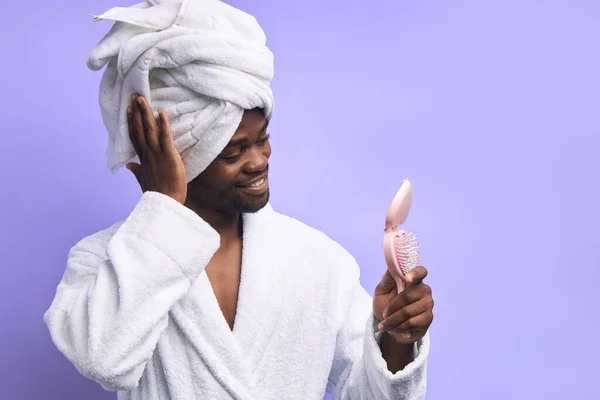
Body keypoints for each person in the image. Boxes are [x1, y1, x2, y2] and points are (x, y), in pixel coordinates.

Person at [44, 1, 434, 399]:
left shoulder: (319, 261)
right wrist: (163, 206)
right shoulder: (103, 262)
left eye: (262, 139)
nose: (259, 161)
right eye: (232, 152)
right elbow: (103, 360)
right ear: (176, 157)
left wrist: (397, 341)